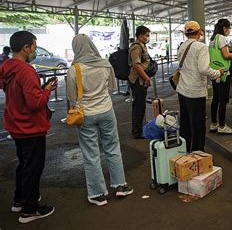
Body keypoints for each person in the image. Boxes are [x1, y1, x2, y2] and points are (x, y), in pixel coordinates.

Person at [67, 34, 133, 207]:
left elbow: (71, 96)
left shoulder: (75, 69)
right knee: (112, 147)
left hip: (85, 115)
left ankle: (98, 195)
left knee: (91, 154)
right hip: (106, 111)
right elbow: (112, 87)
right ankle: (120, 185)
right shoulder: (105, 64)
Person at [0, 31, 56, 223]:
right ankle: (29, 209)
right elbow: (34, 103)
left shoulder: (7, 67)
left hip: (15, 125)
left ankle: (19, 200)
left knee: (24, 165)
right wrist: (47, 90)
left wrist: (40, 90)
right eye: (33, 46)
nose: (34, 50)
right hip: (30, 128)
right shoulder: (26, 70)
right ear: (25, 48)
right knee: (33, 167)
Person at [177, 21, 223, 152]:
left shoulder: (182, 46)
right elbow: (203, 69)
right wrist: (217, 73)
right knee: (198, 125)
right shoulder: (201, 47)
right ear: (199, 32)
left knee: (185, 123)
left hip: (182, 89)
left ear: (186, 34)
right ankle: (198, 154)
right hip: (195, 91)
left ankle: (184, 152)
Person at [209, 18, 232, 135]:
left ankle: (214, 123)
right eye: (229, 28)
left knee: (215, 98)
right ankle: (222, 125)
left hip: (214, 71)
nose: (229, 31)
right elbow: (225, 55)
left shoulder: (212, 39)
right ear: (224, 28)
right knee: (223, 100)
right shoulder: (221, 38)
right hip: (223, 72)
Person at [128, 26, 152, 139]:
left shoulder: (142, 46)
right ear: (140, 35)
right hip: (137, 80)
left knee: (140, 106)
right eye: (146, 35)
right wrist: (146, 78)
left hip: (140, 80)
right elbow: (136, 65)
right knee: (138, 106)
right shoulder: (136, 47)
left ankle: (138, 129)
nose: (148, 37)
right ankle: (137, 131)